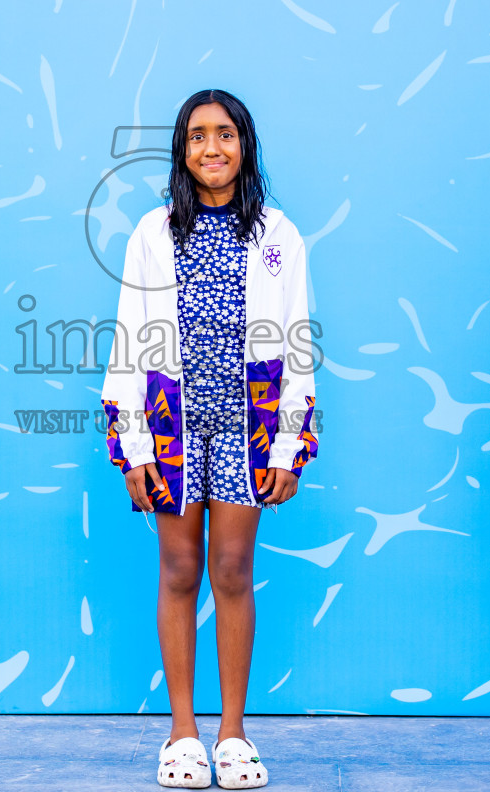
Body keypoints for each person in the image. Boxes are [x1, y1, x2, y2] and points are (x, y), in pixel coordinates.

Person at [101, 89, 319, 789]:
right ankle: (183, 736)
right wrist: (130, 442)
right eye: (197, 136)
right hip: (170, 424)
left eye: (225, 134)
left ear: (245, 144)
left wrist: (290, 442)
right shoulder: (154, 232)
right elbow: (130, 339)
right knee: (178, 571)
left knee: (230, 569)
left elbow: (296, 341)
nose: (212, 148)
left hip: (247, 427)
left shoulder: (279, 236)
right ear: (181, 150)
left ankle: (232, 735)